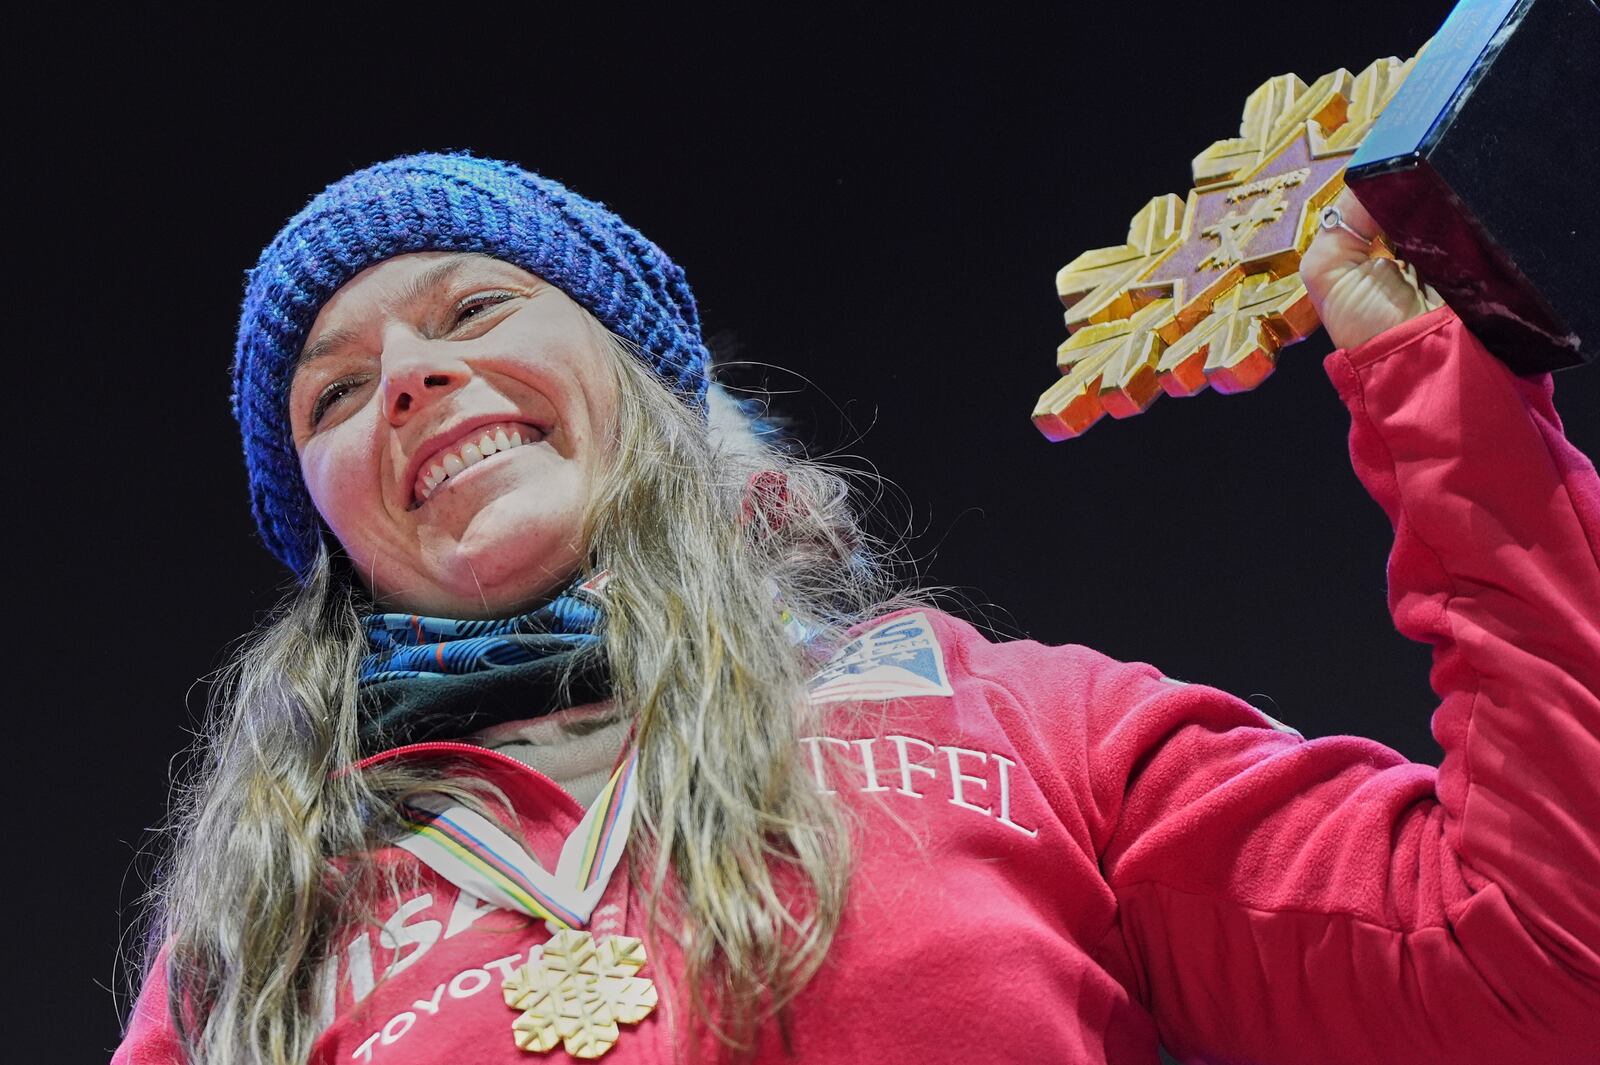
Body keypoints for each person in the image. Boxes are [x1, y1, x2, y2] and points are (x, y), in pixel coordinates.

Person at [114, 152, 1598, 1065]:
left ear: (652, 378)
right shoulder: (262, 934)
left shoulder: (1017, 727)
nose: (410, 383)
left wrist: (1441, 399)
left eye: (473, 310)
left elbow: (1541, 955)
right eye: (335, 391)